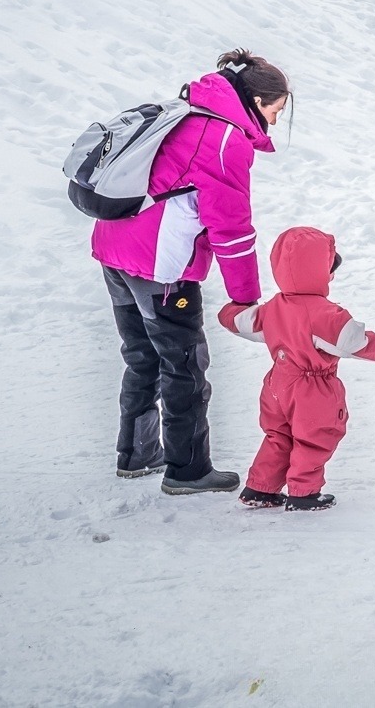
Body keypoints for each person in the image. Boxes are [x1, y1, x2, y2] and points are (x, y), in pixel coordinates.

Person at [90, 49, 289, 494]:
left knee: (141, 355)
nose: (275, 122)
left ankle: (137, 454)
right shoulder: (224, 139)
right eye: (275, 111)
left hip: (113, 249)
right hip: (160, 268)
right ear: (257, 101)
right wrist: (245, 299)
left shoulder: (185, 113)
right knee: (184, 365)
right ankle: (188, 470)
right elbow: (232, 230)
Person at [219, 226, 375, 512]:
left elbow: (240, 321)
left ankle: (260, 488)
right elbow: (357, 342)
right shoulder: (326, 315)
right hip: (311, 389)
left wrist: (229, 312)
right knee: (315, 437)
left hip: (277, 384)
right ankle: (303, 493)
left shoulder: (274, 307)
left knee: (279, 436)